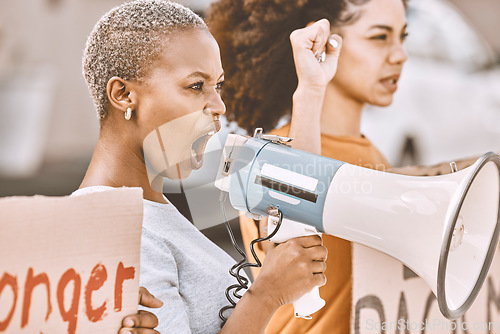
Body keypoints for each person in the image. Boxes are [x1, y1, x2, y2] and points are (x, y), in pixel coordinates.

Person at [73, 1, 333, 333]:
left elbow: (301, 193)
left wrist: (310, 91)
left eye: (218, 86)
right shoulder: (114, 229)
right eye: (197, 86)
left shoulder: (150, 212)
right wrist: (266, 295)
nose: (219, 106)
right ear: (124, 95)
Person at [207, 0, 408, 332]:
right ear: (326, 43)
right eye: (379, 37)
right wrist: (311, 89)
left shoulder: (370, 151)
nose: (400, 54)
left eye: (403, 35)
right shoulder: (265, 157)